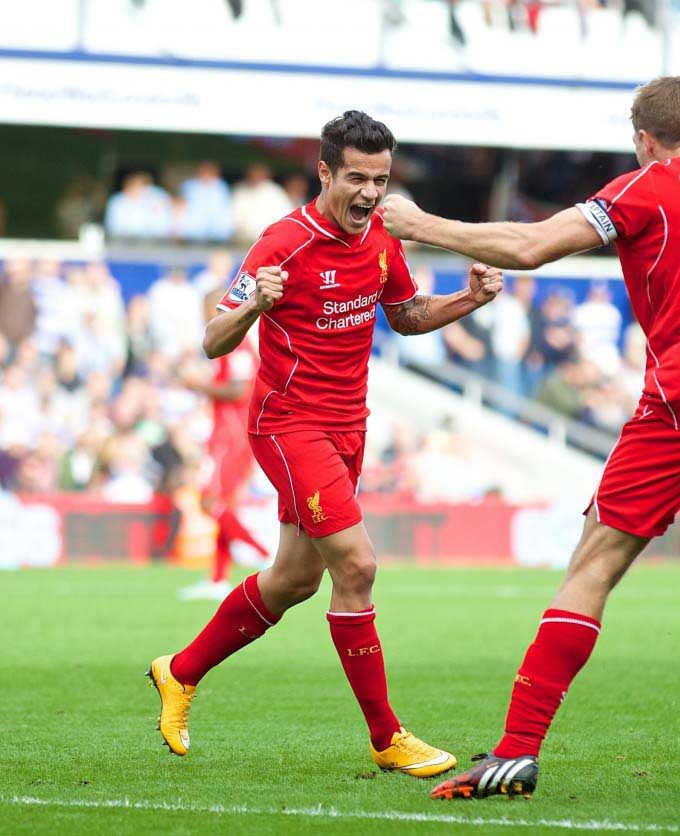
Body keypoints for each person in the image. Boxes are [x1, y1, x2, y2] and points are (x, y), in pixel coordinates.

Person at [382, 76, 680, 806]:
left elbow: (532, 244)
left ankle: (517, 753)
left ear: (644, 137)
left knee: (592, 567)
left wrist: (421, 224)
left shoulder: (649, 187)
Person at [147, 111, 504, 779]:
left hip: (349, 428)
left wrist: (468, 300)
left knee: (294, 579)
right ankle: (386, 736)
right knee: (358, 567)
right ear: (324, 172)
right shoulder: (282, 241)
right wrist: (254, 304)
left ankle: (180, 671)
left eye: (381, 179)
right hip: (289, 425)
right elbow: (213, 339)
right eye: (356, 179)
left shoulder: (380, 238)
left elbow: (404, 315)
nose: (370, 193)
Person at [177, 289, 270, 601]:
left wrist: (198, 385)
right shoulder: (232, 344)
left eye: (208, 308)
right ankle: (218, 579)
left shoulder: (236, 344)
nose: (205, 315)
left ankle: (261, 552)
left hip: (231, 435)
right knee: (222, 505)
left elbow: (238, 389)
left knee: (208, 500)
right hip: (232, 432)